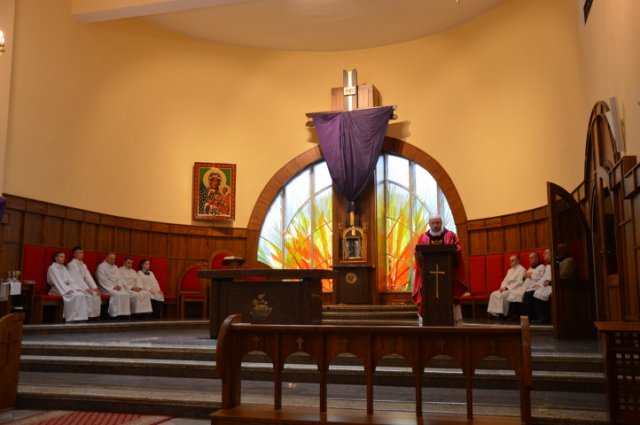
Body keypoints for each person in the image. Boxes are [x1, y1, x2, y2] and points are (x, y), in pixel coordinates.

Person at [412, 214, 468, 326]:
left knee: (450, 296)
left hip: (447, 277)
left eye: (437, 222)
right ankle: (427, 322)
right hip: (428, 278)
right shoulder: (423, 238)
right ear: (429, 224)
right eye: (433, 223)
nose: (435, 225)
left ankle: (452, 322)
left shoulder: (450, 236)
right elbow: (418, 253)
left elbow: (457, 251)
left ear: (441, 222)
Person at [531, 244, 577, 324]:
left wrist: (550, 282)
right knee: (538, 292)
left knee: (541, 292)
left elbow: (563, 276)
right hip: (554, 284)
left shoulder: (569, 260)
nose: (558, 253)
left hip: (565, 285)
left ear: (564, 251)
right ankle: (541, 317)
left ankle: (545, 317)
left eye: (560, 250)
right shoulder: (558, 261)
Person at [46, 251, 89, 322]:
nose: (64, 258)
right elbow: (58, 282)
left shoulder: (63, 268)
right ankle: (71, 318)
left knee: (81, 294)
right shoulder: (52, 268)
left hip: (67, 287)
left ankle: (80, 317)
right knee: (73, 295)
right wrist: (68, 290)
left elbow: (70, 280)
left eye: (64, 257)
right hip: (57, 288)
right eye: (61, 257)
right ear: (56, 258)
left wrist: (76, 288)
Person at [507, 252, 546, 320]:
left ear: (537, 258)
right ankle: (516, 315)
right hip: (526, 286)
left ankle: (528, 317)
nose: (529, 260)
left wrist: (531, 275)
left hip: (535, 286)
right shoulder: (530, 268)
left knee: (525, 294)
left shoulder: (542, 267)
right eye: (529, 258)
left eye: (531, 258)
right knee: (514, 293)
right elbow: (525, 276)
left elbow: (541, 277)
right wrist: (525, 276)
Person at [66, 246, 102, 320]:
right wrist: (86, 288)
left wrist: (95, 287)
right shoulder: (71, 264)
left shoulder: (83, 265)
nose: (82, 254)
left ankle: (94, 315)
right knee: (89, 294)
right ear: (74, 254)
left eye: (82, 253)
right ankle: (86, 316)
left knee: (96, 294)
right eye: (80, 253)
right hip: (75, 286)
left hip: (83, 285)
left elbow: (88, 276)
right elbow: (76, 278)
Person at [96, 252, 131, 318]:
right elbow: (101, 279)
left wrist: (119, 285)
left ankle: (123, 314)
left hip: (116, 287)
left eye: (114, 259)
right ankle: (115, 314)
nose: (113, 260)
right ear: (106, 258)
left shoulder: (115, 267)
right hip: (106, 287)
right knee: (116, 294)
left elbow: (120, 278)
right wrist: (113, 287)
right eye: (111, 258)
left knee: (126, 293)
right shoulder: (101, 267)